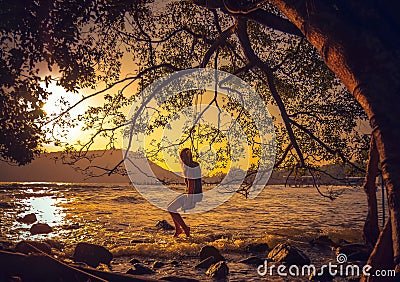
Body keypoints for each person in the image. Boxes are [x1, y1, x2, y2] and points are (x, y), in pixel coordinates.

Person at [167, 148, 203, 237]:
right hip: (196, 194)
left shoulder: (189, 168)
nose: (181, 160)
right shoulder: (195, 165)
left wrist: (189, 200)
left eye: (181, 157)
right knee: (171, 208)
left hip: (192, 195)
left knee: (170, 208)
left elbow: (192, 184)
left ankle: (183, 228)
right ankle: (179, 229)